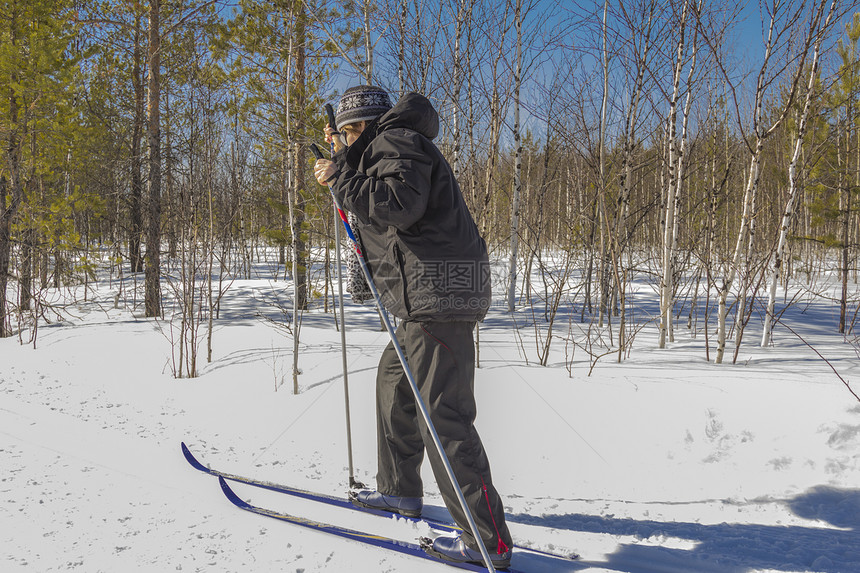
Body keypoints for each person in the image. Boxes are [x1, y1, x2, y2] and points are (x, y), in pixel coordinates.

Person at [313, 85, 513, 569]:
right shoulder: (388, 145)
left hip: (438, 295)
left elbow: (398, 203)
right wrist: (347, 164)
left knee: (441, 416)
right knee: (394, 385)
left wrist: (341, 173)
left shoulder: (396, 139)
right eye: (340, 133)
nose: (344, 139)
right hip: (429, 295)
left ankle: (486, 541)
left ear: (368, 124)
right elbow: (385, 205)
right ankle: (400, 491)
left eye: (350, 130)